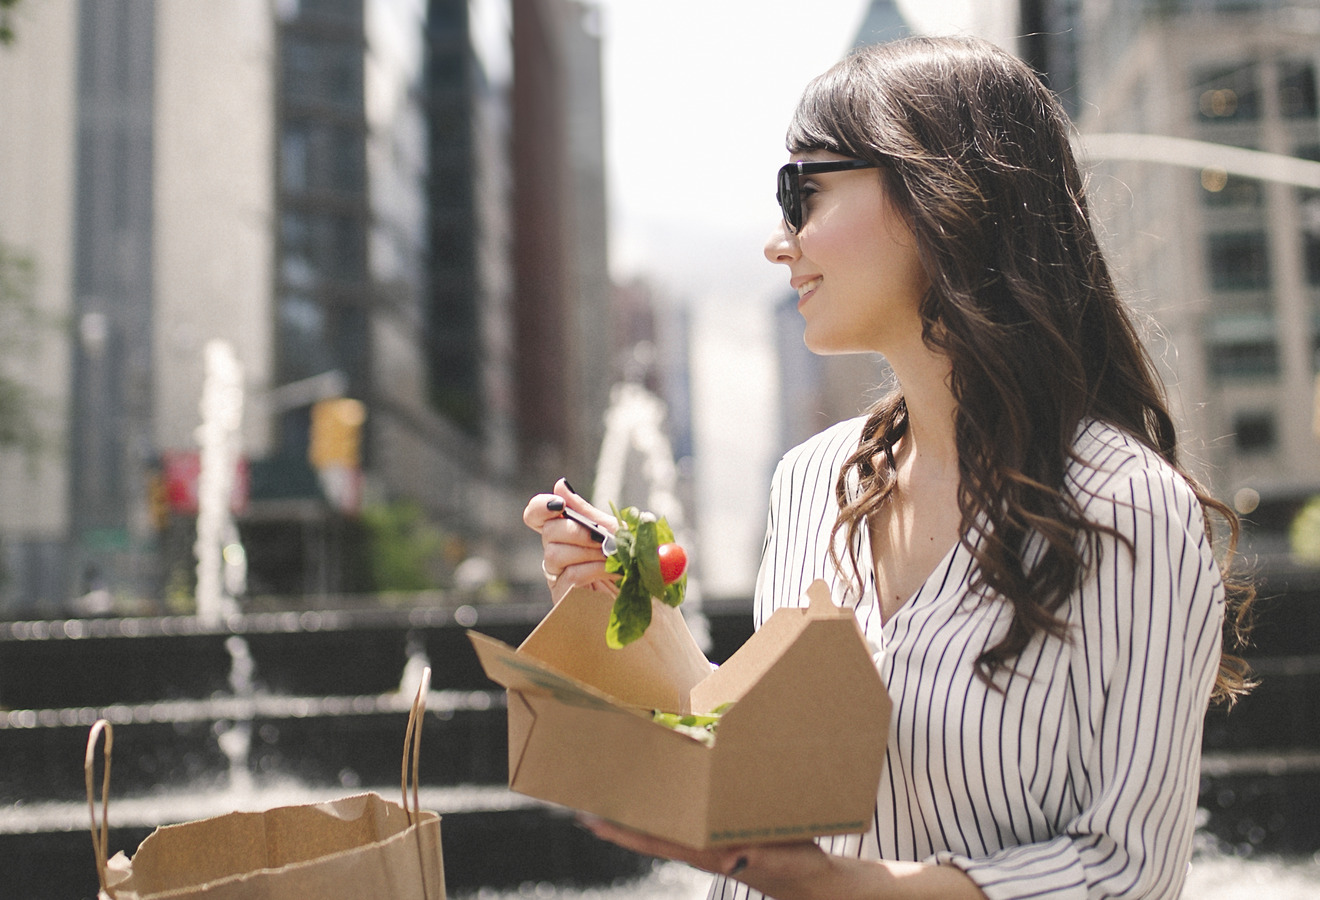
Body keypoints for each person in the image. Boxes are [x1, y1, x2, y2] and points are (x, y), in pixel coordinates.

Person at [523, 34, 1253, 900]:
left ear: (941, 194)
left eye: (804, 192)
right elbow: (755, 773)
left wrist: (847, 885)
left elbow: (1124, 873)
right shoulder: (809, 483)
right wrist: (630, 611)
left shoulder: (1126, 508)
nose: (777, 241)